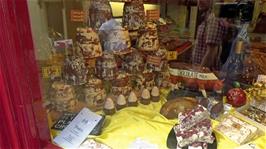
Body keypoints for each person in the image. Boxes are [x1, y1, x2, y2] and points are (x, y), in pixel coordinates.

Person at [192, 0, 228, 70]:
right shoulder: (207, 17)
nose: (200, 1)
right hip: (201, 69)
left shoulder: (213, 18)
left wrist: (199, 73)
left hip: (206, 73)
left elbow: (211, 52)